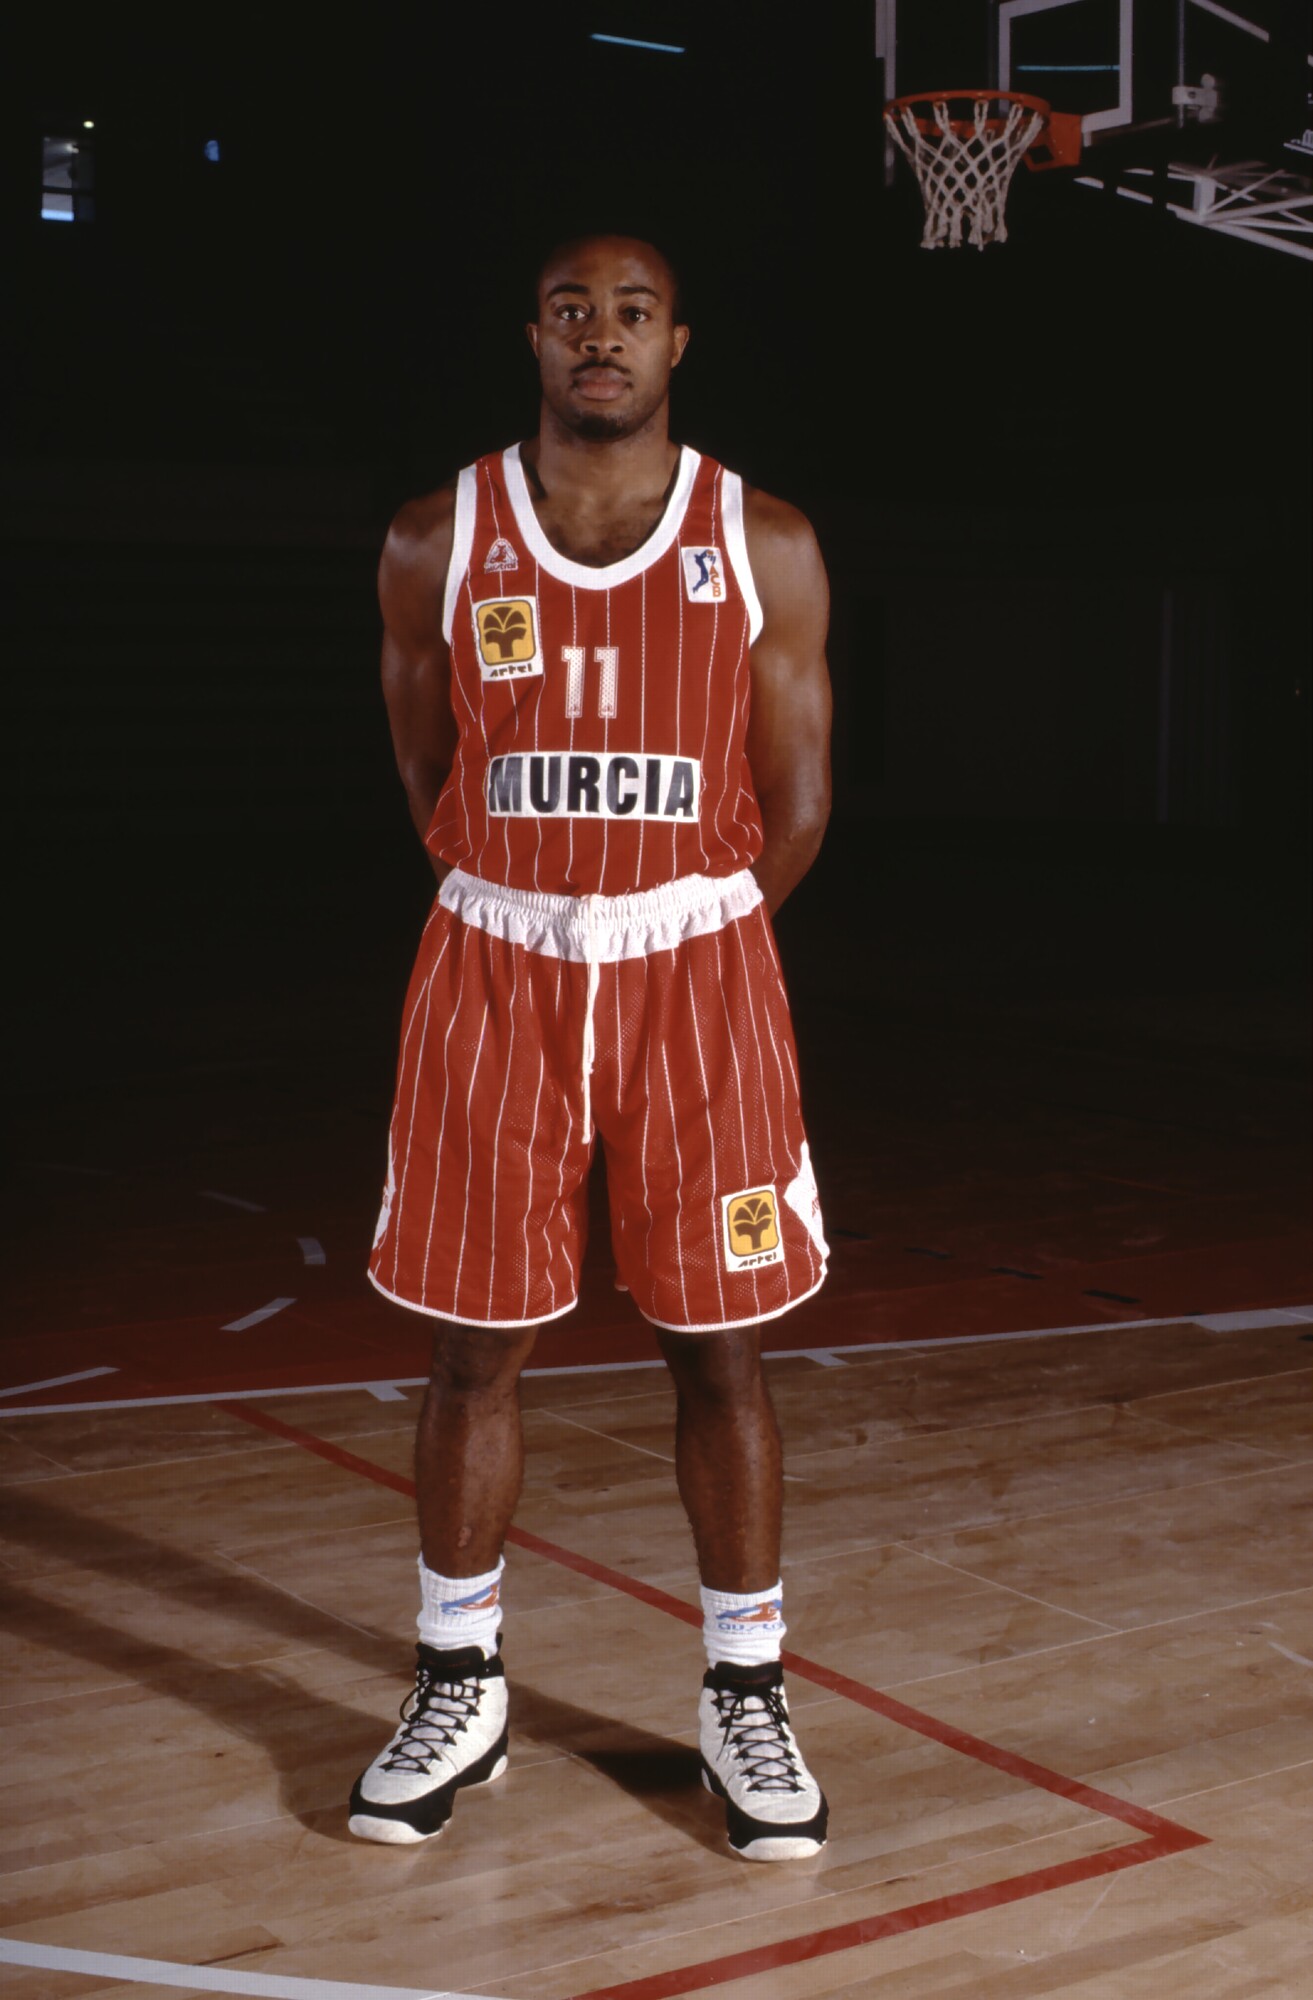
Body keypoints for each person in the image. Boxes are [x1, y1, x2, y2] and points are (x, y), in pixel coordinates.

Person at [349, 233, 833, 1862]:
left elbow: (799, 798)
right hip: (497, 966)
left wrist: (679, 929)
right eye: (573, 312)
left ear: (676, 342)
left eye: (632, 313)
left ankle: (745, 1691)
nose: (600, 337)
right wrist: (540, 902)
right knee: (470, 1348)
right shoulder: (436, 536)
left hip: (698, 974)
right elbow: (426, 768)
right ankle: (459, 1678)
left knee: (722, 1351)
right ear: (534, 338)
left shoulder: (762, 538)